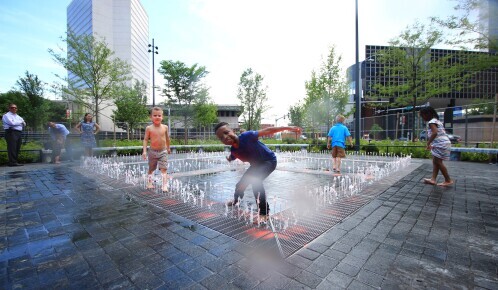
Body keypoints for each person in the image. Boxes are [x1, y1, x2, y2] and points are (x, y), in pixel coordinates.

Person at [214, 122, 302, 222]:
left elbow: (268, 130)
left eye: (226, 132)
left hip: (268, 161)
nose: (225, 137)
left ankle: (264, 213)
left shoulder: (247, 136)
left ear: (233, 131)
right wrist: (229, 159)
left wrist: (289, 127)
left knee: (256, 181)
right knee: (240, 185)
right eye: (221, 137)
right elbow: (232, 156)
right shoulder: (234, 150)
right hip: (255, 166)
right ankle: (236, 201)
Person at [419, 107, 453, 186]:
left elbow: (435, 133)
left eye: (423, 115)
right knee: (435, 161)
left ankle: (448, 180)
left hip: (441, 144)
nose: (422, 118)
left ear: (428, 114)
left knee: (438, 162)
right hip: (442, 143)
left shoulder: (431, 122)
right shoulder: (437, 121)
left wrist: (428, 143)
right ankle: (433, 179)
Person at [142, 107, 171, 192]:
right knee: (151, 169)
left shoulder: (165, 127)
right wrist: (144, 151)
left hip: (163, 151)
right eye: (155, 115)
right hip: (152, 151)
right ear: (151, 117)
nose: (157, 117)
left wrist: (168, 147)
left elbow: (167, 138)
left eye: (159, 115)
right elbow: (145, 139)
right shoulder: (149, 128)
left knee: (164, 169)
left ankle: (164, 185)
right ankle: (150, 183)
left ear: (162, 117)